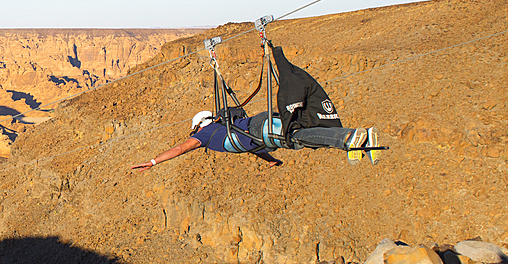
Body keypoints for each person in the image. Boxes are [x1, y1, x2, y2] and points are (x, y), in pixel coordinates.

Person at [131, 110, 378, 172]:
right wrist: (270, 159)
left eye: (193, 130)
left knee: (296, 136)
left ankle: (348, 136)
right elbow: (249, 146)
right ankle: (351, 141)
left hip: (260, 127)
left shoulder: (204, 135)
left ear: (199, 126)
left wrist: (153, 161)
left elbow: (179, 149)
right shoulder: (219, 131)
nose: (192, 135)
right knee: (299, 140)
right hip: (260, 134)